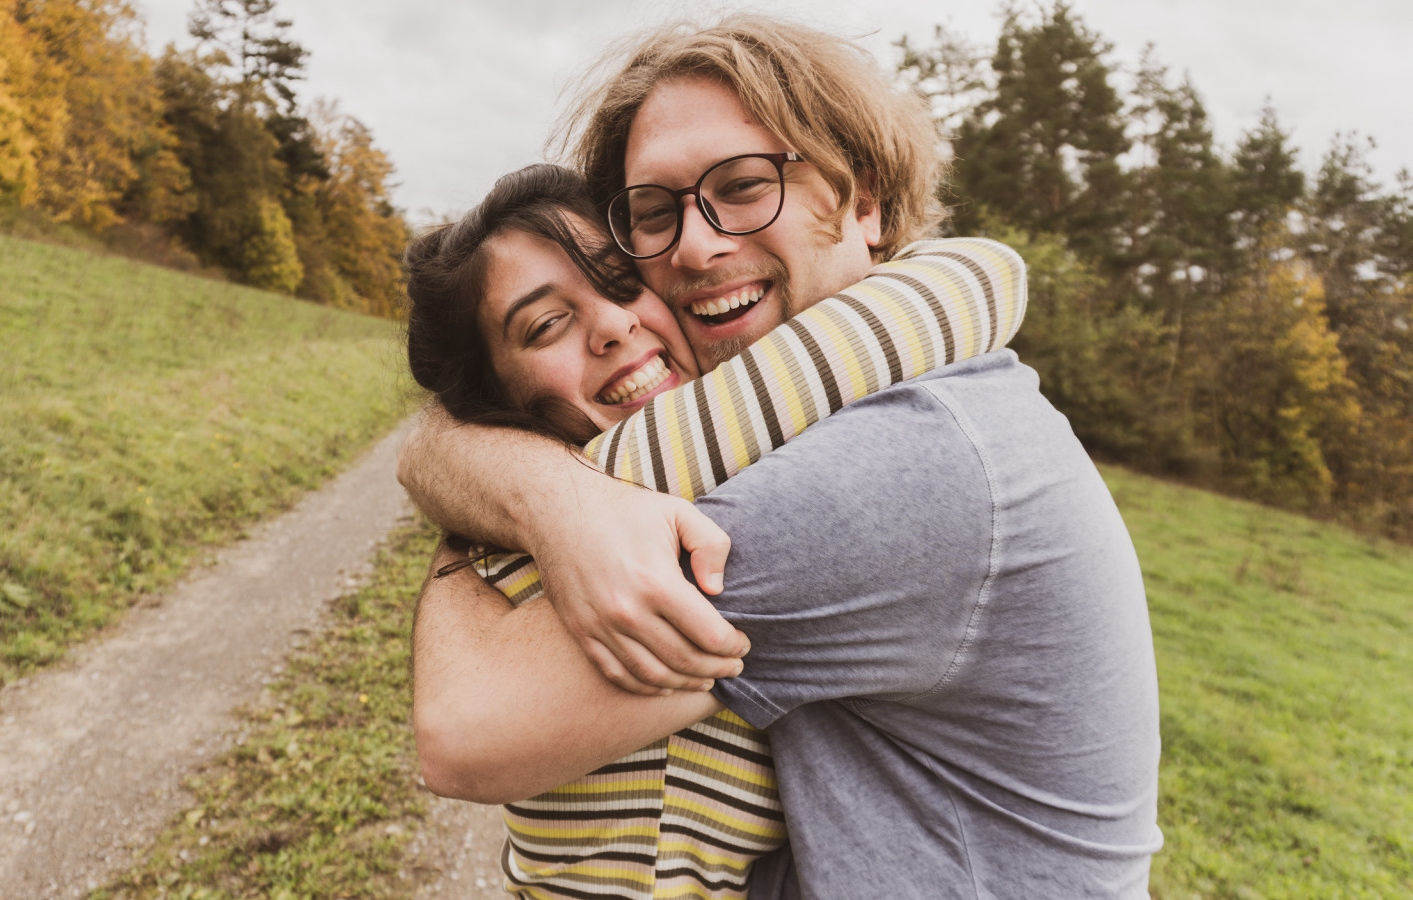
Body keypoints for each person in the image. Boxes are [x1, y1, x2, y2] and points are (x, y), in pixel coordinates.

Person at [408, 15, 1162, 898]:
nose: (695, 244)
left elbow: (470, 726)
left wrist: (517, 492)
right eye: (655, 213)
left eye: (744, 185)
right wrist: (527, 487)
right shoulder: (818, 420)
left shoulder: (901, 464)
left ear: (866, 203)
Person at [405, 163, 1027, 897]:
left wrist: (469, 473)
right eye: (546, 326)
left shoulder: (538, 507)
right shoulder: (662, 498)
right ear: (498, 394)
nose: (611, 325)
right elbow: (981, 280)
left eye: (619, 279)